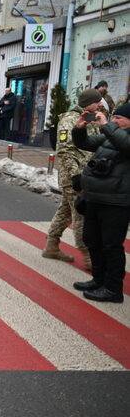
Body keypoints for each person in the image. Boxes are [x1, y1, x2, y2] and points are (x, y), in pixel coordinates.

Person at [71, 102, 130, 304]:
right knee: (92, 240)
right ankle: (98, 280)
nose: (114, 120)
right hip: (96, 198)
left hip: (117, 202)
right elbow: (85, 143)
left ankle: (113, 289)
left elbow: (125, 144)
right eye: (113, 117)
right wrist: (79, 129)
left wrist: (106, 124)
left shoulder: (120, 136)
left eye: (118, 118)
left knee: (111, 246)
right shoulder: (111, 135)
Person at [42, 89, 103, 267]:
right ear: (88, 102)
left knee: (66, 210)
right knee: (81, 215)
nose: (100, 104)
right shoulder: (70, 119)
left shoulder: (91, 118)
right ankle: (89, 257)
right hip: (75, 177)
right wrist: (76, 175)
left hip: (88, 175)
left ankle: (51, 245)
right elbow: (65, 150)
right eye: (97, 101)